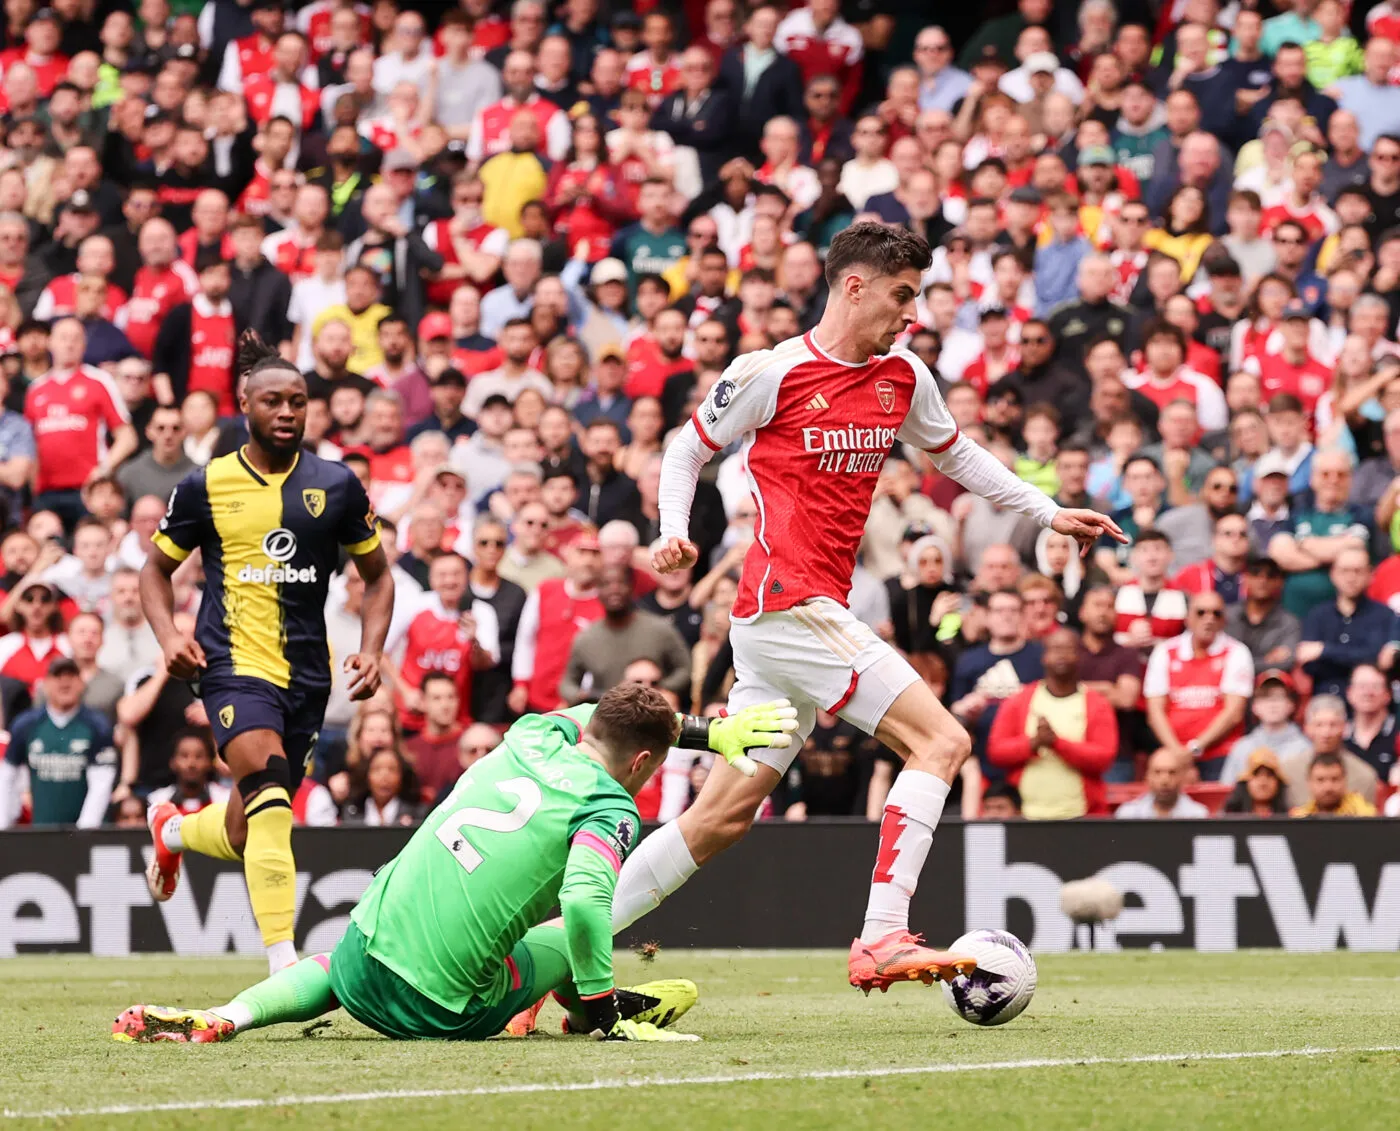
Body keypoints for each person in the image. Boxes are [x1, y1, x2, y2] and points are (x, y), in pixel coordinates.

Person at [638, 222, 1124, 991]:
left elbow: (954, 453)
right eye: (902, 295)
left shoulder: (905, 375)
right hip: (785, 603)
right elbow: (685, 447)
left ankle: (558, 946)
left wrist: (1045, 510)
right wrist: (673, 530)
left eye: (919, 298)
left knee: (720, 818)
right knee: (941, 742)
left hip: (789, 622)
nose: (912, 314)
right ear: (852, 286)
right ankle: (883, 934)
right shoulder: (772, 372)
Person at [112, 684, 794, 1045]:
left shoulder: (535, 730)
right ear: (643, 764)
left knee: (328, 966)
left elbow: (599, 712)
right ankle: (584, 1012)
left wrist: (703, 731)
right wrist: (603, 1001)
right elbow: (587, 903)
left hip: (360, 956)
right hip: (442, 1008)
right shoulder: (608, 804)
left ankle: (230, 1014)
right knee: (564, 936)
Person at [139, 330, 395, 975]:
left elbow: (380, 574)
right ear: (245, 404)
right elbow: (153, 571)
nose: (288, 412)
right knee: (273, 799)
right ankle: (284, 964)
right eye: (274, 401)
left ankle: (172, 831)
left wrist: (372, 649)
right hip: (231, 668)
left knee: (244, 829)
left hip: (307, 678)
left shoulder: (337, 485)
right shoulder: (206, 485)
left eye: (299, 401)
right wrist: (171, 637)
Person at [986, 628, 1117, 819]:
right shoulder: (1020, 700)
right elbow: (996, 751)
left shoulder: (1097, 703)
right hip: (1024, 815)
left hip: (1081, 814)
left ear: (1080, 655)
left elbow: (1103, 757)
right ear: (1044, 656)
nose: (1061, 655)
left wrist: (1057, 743)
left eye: (1068, 649)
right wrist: (1034, 742)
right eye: (1055, 649)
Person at [1143, 591, 1254, 781]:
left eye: (1216, 613)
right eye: (1201, 612)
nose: (1209, 619)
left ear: (1224, 620)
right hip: (1173, 753)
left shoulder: (1237, 652)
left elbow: (1233, 713)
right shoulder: (1165, 651)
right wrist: (1178, 753)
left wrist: (1194, 749)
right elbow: (1155, 712)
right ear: (1188, 618)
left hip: (1221, 753)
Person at [0, 655, 116, 828]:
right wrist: (3, 826)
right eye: (57, 676)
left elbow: (102, 782)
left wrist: (85, 831)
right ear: (45, 684)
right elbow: (8, 776)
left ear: (81, 683)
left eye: (71, 676)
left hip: (84, 835)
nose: (64, 682)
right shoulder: (26, 724)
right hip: (41, 832)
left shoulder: (97, 726)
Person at [1114, 749, 1210, 819]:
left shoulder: (1199, 816)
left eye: (1172, 772)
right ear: (1147, 777)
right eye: (1157, 772)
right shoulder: (1127, 816)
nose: (1165, 780)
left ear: (1182, 777)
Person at [1290, 752, 1377, 817]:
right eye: (1320, 780)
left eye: (1335, 779)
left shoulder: (1363, 814)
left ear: (1345, 780)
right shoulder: (1299, 817)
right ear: (1309, 783)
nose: (1328, 787)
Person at [1222, 749, 1291, 817]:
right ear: (1246, 781)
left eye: (1269, 775)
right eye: (1256, 774)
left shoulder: (1291, 818)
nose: (1263, 782)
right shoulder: (1230, 817)